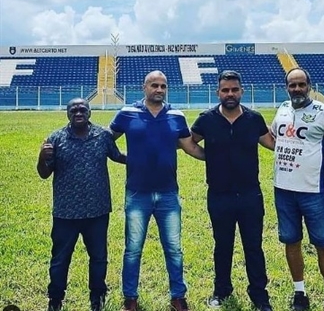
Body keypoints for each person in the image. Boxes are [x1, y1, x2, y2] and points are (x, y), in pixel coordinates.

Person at [109, 70, 205, 311]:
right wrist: (122, 158)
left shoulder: (176, 115)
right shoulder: (127, 113)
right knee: (133, 248)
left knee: (173, 248)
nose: (159, 90)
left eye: (163, 86)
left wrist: (218, 157)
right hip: (137, 193)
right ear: (144, 87)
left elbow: (189, 146)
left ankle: (178, 296)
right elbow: (106, 140)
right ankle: (130, 297)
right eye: (154, 85)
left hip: (168, 194)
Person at [191, 70, 275, 311]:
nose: (230, 94)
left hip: (250, 194)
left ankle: (259, 295)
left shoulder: (254, 119)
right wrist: (209, 158)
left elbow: (272, 144)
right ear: (217, 92)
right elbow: (189, 142)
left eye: (234, 90)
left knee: (253, 246)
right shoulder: (206, 119)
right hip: (219, 195)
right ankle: (222, 290)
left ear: (241, 91)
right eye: (225, 90)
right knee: (222, 244)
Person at [269, 67, 324, 311]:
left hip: (314, 191)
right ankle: (299, 293)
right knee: (291, 241)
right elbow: (272, 139)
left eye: (301, 84)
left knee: (323, 243)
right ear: (287, 88)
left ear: (309, 86)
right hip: (283, 189)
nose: (297, 89)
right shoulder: (282, 109)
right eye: (292, 85)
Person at [37, 98, 126, 311]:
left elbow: (118, 157)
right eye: (74, 110)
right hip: (65, 213)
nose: (78, 112)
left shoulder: (102, 136)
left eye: (82, 109)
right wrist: (42, 157)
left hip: (97, 210)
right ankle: (55, 300)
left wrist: (146, 158)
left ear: (89, 112)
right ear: (67, 113)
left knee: (98, 258)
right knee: (60, 259)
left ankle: (97, 297)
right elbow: (43, 173)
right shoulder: (56, 139)